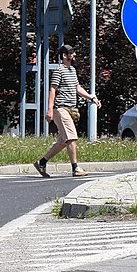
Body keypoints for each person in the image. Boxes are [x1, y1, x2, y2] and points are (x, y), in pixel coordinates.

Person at [35, 45, 98, 177]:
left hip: (71, 109)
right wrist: (50, 110)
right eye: (71, 53)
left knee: (63, 142)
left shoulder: (72, 70)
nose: (74, 55)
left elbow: (77, 88)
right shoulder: (59, 71)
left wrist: (91, 97)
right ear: (64, 55)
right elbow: (53, 90)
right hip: (61, 108)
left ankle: (41, 162)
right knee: (71, 137)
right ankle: (75, 168)